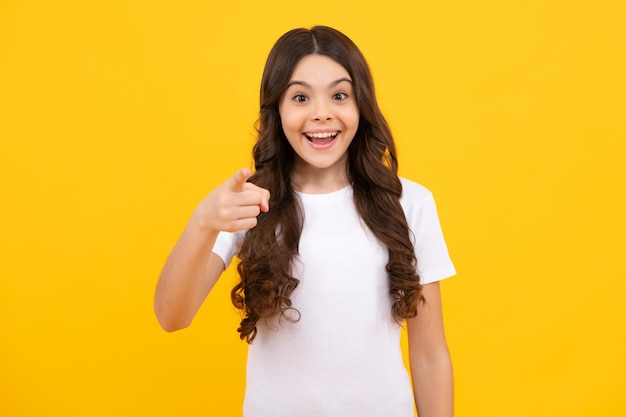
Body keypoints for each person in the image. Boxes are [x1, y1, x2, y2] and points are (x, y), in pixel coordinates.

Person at [154, 26, 456, 417]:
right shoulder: (249, 203)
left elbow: (430, 355)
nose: (321, 113)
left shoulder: (409, 203)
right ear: (276, 110)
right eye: (300, 97)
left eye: (339, 95)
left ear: (361, 105)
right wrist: (202, 223)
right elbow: (171, 316)